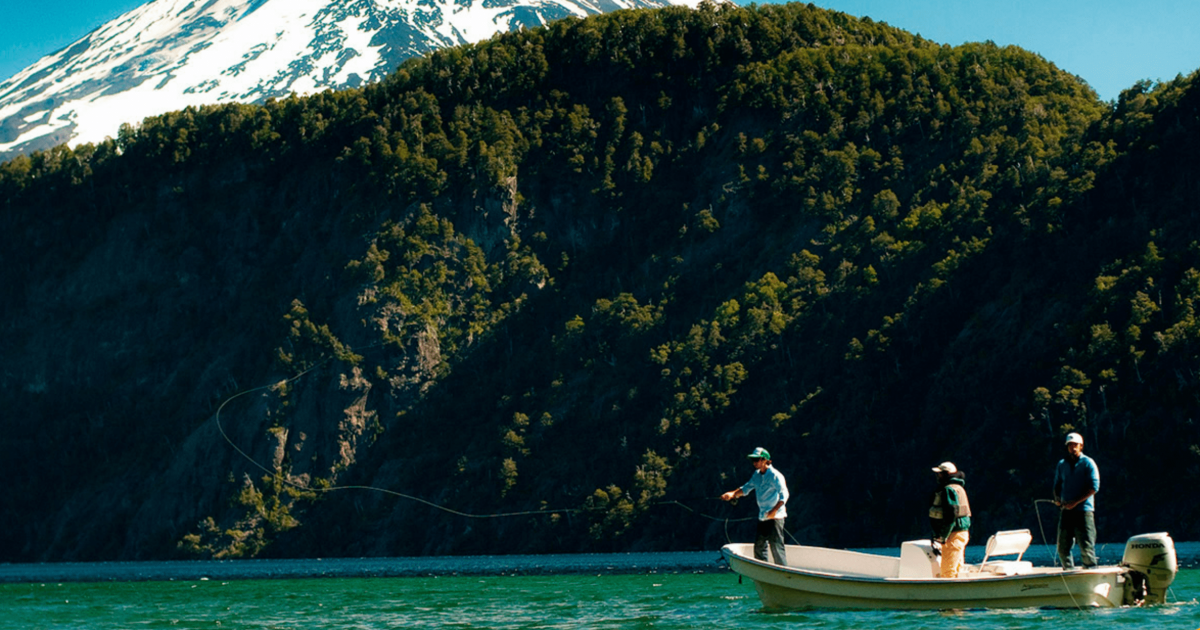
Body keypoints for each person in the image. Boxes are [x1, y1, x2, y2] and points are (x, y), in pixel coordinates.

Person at [721, 447, 790, 565]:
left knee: (776, 547)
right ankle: (763, 570)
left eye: (757, 459)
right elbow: (746, 488)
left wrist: (774, 511)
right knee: (759, 547)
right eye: (753, 460)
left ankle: (784, 573)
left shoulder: (775, 475)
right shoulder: (757, 475)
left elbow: (785, 495)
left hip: (776, 517)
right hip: (763, 517)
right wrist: (733, 494)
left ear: (765, 460)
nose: (754, 462)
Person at [1053, 432, 1100, 568]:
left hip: (1084, 511)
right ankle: (1068, 572)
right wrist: (1057, 498)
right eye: (1070, 445)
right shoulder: (1062, 464)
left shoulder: (1088, 463)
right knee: (1062, 547)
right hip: (1066, 511)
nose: (1072, 447)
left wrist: (1075, 502)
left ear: (1081, 446)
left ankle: (1090, 569)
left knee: (1086, 546)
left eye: (1075, 445)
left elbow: (1094, 487)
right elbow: (1057, 485)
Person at [928, 461, 971, 578]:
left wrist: (943, 536)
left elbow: (951, 515)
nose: (938, 476)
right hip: (961, 533)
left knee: (948, 572)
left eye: (940, 473)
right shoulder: (959, 488)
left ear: (946, 474)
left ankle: (948, 593)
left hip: (953, 535)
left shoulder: (948, 489)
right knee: (957, 568)